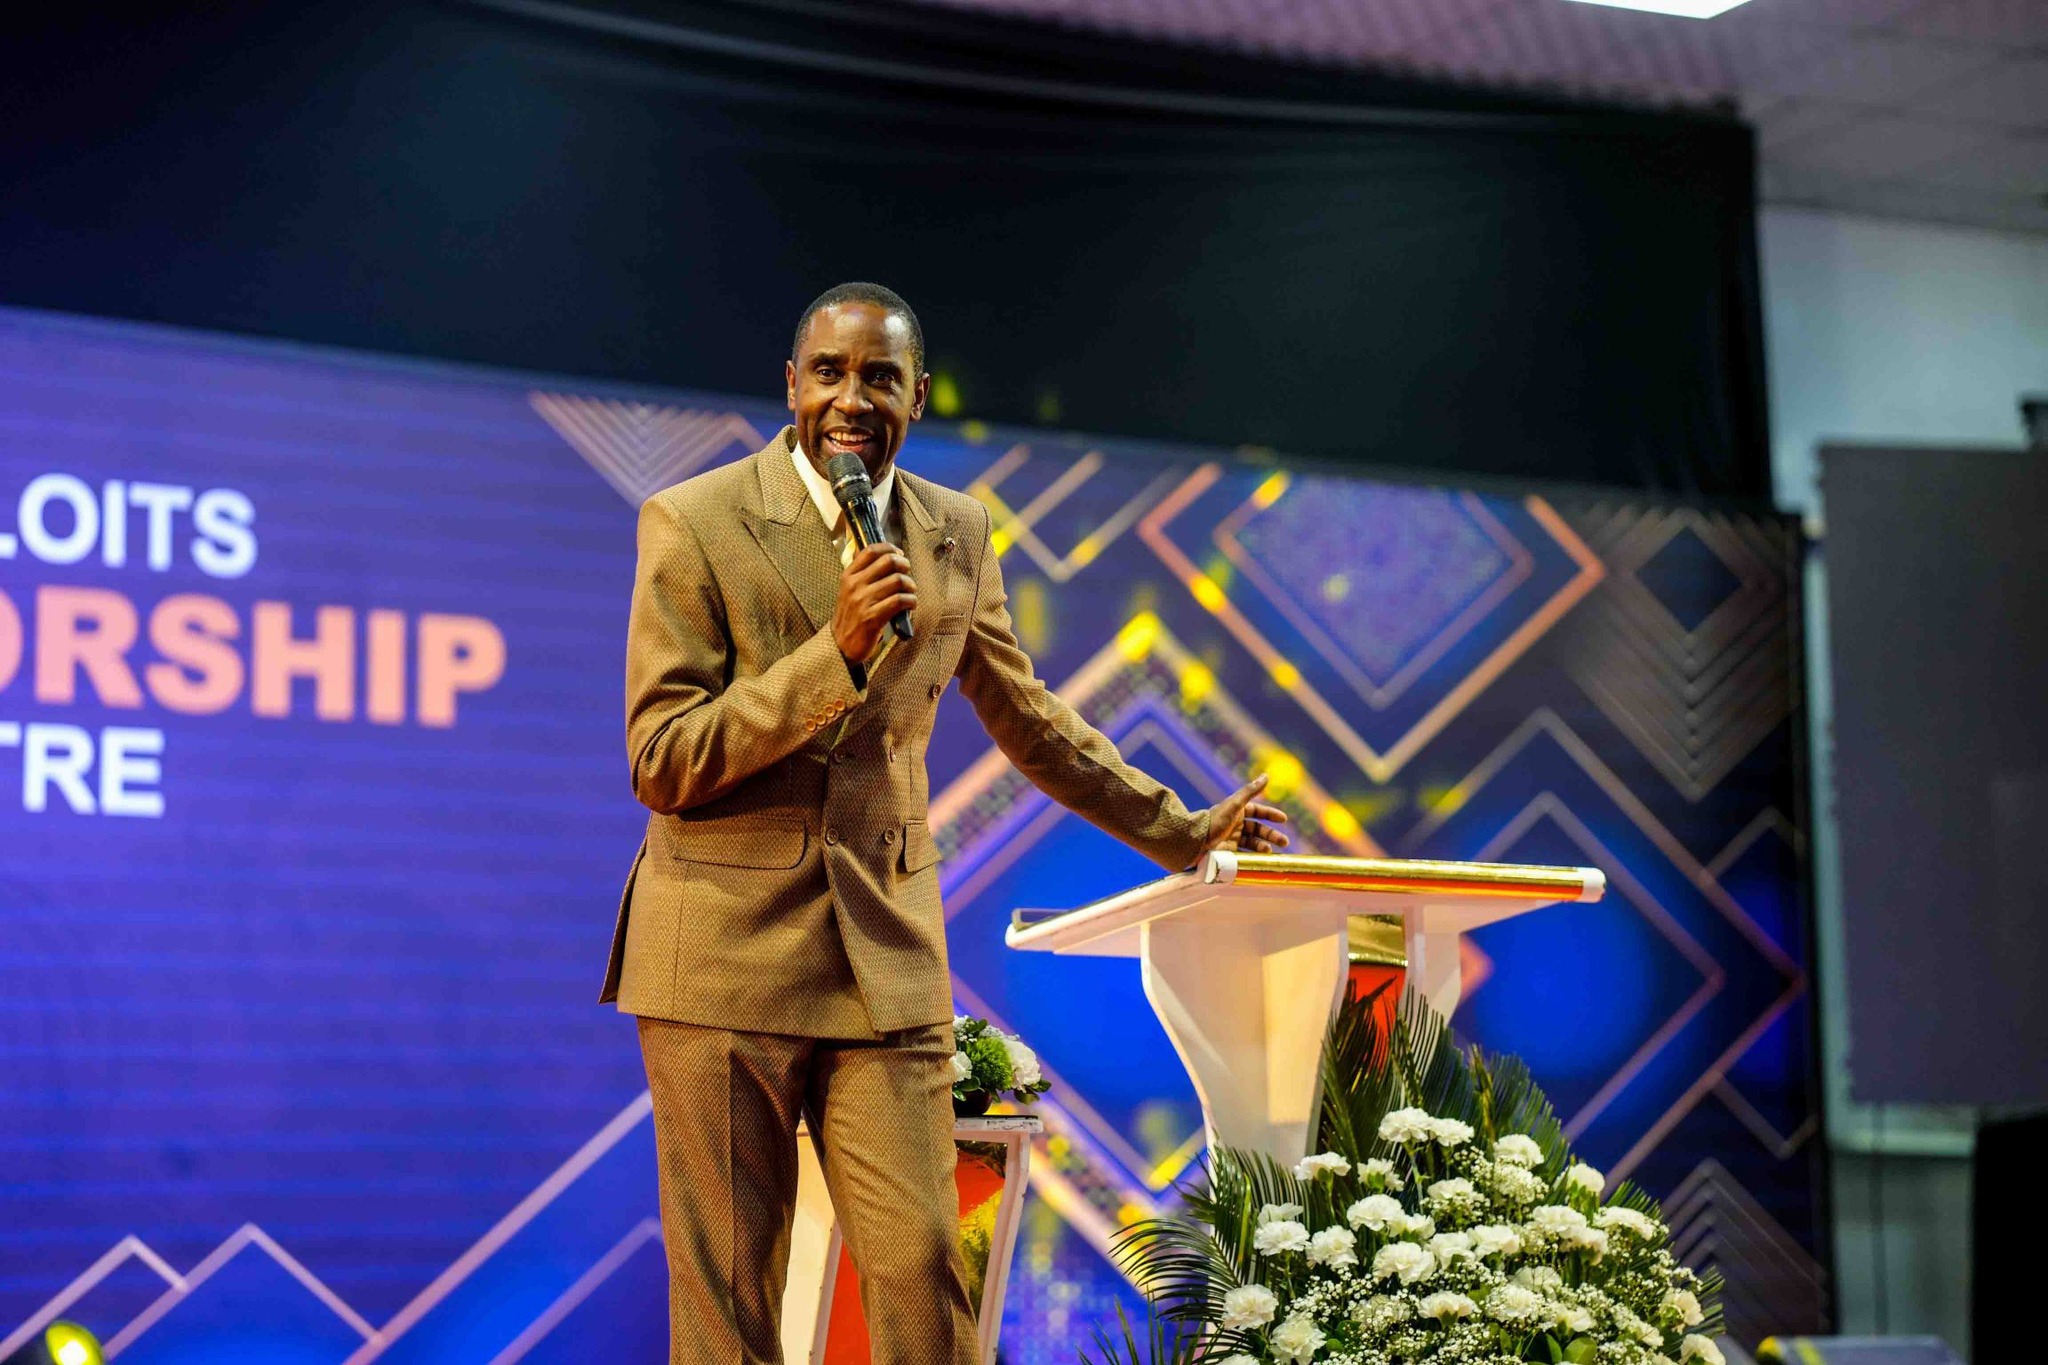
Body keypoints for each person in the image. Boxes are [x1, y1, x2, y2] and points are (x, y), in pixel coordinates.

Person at [601, 281, 1290, 1364]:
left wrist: (1181, 829)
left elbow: (1030, 719)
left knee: (925, 1267)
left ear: (916, 396)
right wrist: (830, 656)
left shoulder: (954, 532)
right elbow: (664, 758)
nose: (850, 399)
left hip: (883, 955)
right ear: (791, 385)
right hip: (719, 958)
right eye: (828, 373)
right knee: (730, 1301)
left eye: (879, 377)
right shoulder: (694, 520)